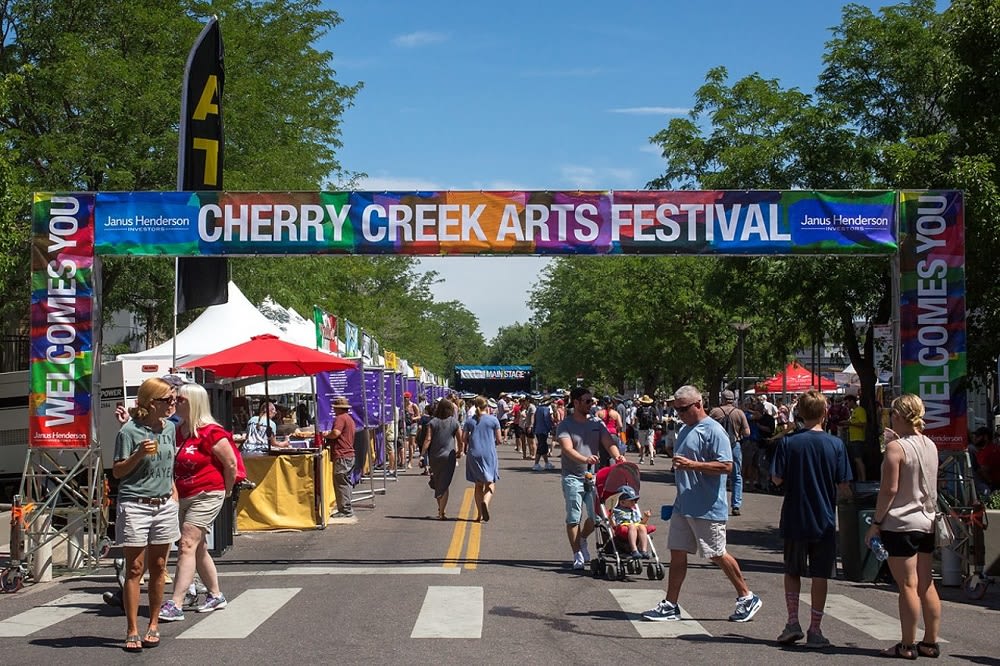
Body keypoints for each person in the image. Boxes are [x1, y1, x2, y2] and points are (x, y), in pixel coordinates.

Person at [643, 385, 762, 623]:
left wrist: (693, 465)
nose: (679, 413)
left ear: (698, 404)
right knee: (677, 553)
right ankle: (671, 604)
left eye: (683, 408)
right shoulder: (686, 428)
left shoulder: (714, 431)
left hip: (707, 506)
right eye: (676, 409)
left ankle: (747, 596)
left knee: (716, 553)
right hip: (684, 503)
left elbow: (727, 466)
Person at [771, 390, 852, 648]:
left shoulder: (788, 443)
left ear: (799, 413)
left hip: (795, 514)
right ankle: (815, 629)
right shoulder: (835, 445)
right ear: (825, 413)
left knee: (792, 571)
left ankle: (792, 622)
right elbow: (844, 485)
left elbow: (776, 478)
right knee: (820, 575)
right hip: (824, 517)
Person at [864, 394, 942, 659]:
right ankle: (930, 642)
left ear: (897, 416)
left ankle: (907, 645)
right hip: (927, 520)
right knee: (926, 583)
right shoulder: (931, 445)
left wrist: (876, 523)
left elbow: (889, 489)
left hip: (901, 522)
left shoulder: (896, 449)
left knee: (907, 585)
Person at [158, 383, 238, 622]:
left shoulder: (212, 432)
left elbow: (231, 464)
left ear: (193, 402)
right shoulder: (178, 430)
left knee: (187, 544)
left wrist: (226, 491)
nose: (175, 403)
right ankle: (215, 595)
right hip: (183, 494)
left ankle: (176, 602)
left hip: (207, 492)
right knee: (198, 546)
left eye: (180, 399)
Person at [112, 377, 181, 652]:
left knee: (160, 567)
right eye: (168, 400)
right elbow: (117, 471)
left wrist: (173, 490)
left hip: (164, 504)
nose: (173, 404)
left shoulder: (170, 429)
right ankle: (132, 628)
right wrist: (139, 454)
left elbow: (169, 462)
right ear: (151, 403)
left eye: (174, 399)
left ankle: (154, 623)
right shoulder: (128, 432)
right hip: (135, 504)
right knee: (135, 569)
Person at [557, 386, 626, 570]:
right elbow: (567, 448)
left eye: (592, 401)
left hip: (592, 476)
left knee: (597, 517)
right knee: (573, 517)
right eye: (587, 401)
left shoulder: (597, 423)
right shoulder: (566, 425)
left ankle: (581, 539)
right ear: (576, 402)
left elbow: (608, 442)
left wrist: (617, 456)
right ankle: (576, 553)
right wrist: (585, 459)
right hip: (572, 476)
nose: (591, 404)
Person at [709, 390, 750, 516]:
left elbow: (706, 428)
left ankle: (719, 503)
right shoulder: (739, 413)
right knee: (736, 476)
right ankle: (736, 505)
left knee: (720, 474)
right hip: (734, 445)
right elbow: (747, 432)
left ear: (722, 399)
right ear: (733, 400)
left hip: (718, 446)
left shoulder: (715, 412)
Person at [421, 398, 464, 519]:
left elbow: (428, 439)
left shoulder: (433, 422)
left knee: (438, 481)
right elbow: (460, 440)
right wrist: (460, 451)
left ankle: (440, 508)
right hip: (449, 456)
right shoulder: (454, 422)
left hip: (434, 456)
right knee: (444, 484)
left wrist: (422, 454)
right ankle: (441, 512)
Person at [463, 396, 502, 522]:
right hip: (488, 453)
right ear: (487, 406)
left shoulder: (469, 421)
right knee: (490, 482)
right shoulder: (493, 420)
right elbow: (499, 440)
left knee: (478, 485)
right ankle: (485, 501)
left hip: (474, 453)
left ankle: (479, 514)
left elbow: (464, 438)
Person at [324, 396, 357, 518]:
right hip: (348, 454)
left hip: (342, 454)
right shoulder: (349, 419)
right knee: (345, 482)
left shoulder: (340, 418)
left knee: (341, 482)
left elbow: (336, 433)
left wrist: (327, 435)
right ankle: (346, 507)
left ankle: (345, 510)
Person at [611, 484, 651, 559]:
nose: (634, 502)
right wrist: (610, 518)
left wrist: (646, 517)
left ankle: (643, 550)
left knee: (642, 527)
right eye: (632, 500)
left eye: (635, 500)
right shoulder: (616, 511)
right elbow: (613, 524)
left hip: (635, 525)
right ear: (622, 502)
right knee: (632, 526)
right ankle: (634, 550)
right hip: (623, 525)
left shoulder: (634, 511)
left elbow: (640, 523)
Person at [596, 396, 624, 468]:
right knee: (613, 455)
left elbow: (595, 424)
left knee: (603, 455)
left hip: (603, 435)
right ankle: (613, 470)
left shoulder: (599, 413)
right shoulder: (616, 413)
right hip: (613, 434)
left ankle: (603, 471)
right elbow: (620, 425)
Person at [845, 394, 867, 482]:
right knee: (856, 460)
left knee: (858, 460)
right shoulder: (853, 411)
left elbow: (863, 424)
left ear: (851, 401)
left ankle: (863, 479)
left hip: (858, 438)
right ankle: (860, 479)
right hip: (853, 438)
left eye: (847, 403)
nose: (846, 405)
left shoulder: (860, 410)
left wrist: (850, 424)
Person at [532, 397, 555, 471]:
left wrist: (534, 428)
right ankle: (536, 463)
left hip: (538, 429)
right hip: (543, 430)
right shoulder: (546, 409)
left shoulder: (538, 408)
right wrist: (551, 427)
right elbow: (547, 419)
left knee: (543, 446)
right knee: (541, 446)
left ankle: (547, 463)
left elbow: (535, 419)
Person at [635, 395, 658, 465]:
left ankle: (642, 458)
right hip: (650, 428)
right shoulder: (652, 409)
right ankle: (651, 457)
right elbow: (656, 418)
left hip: (642, 428)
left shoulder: (639, 409)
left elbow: (637, 419)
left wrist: (636, 426)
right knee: (650, 443)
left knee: (642, 445)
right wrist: (655, 425)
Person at [403, 391, 420, 468]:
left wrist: (413, 418)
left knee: (410, 444)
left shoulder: (414, 405)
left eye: (406, 397)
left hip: (413, 425)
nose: (405, 399)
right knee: (404, 443)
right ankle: (403, 460)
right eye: (404, 397)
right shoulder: (403, 406)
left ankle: (410, 461)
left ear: (409, 398)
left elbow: (419, 416)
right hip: (405, 425)